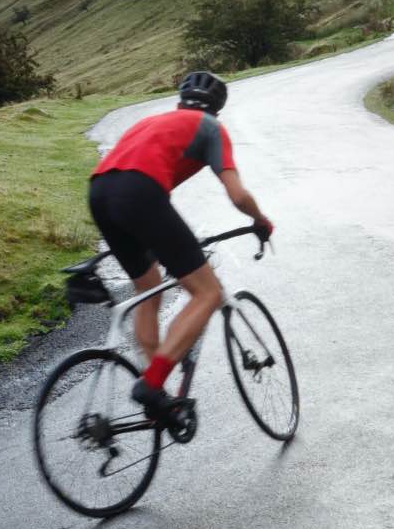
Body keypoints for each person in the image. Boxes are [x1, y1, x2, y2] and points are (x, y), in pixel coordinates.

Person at [87, 69, 273, 424]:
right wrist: (261, 220)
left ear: (179, 103)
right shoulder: (211, 128)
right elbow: (237, 195)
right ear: (217, 110)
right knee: (207, 293)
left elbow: (131, 173)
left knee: (149, 287)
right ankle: (152, 384)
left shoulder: (154, 121)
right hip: (140, 194)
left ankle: (155, 393)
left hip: (99, 192)